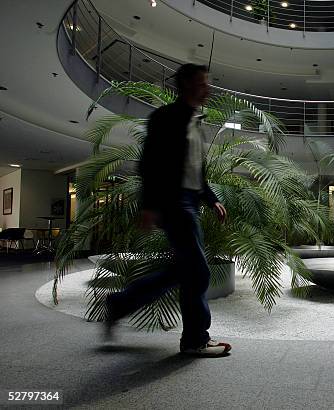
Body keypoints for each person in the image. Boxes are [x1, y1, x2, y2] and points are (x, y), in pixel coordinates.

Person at [104, 63, 231, 357]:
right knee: (197, 271)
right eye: (202, 84)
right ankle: (195, 340)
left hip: (191, 202)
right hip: (174, 202)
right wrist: (149, 206)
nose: (208, 89)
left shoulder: (197, 123)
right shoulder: (165, 118)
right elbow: (149, 163)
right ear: (186, 86)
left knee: (184, 270)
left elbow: (197, 170)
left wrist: (212, 199)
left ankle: (121, 303)